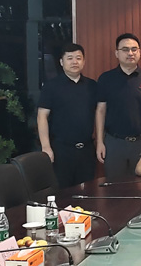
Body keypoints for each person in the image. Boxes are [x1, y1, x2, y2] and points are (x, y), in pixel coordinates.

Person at [95, 33, 141, 179]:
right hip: (114, 142)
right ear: (117, 53)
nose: (130, 53)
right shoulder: (106, 79)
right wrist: (100, 142)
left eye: (134, 49)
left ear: (139, 52)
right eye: (125, 49)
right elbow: (100, 111)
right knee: (114, 186)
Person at [37, 43, 97, 188]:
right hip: (61, 150)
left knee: (87, 191)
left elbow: (99, 113)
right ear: (61, 62)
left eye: (78, 58)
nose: (74, 62)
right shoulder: (51, 87)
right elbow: (42, 116)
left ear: (84, 61)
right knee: (62, 193)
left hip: (87, 150)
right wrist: (46, 147)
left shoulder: (92, 85)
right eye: (70, 58)